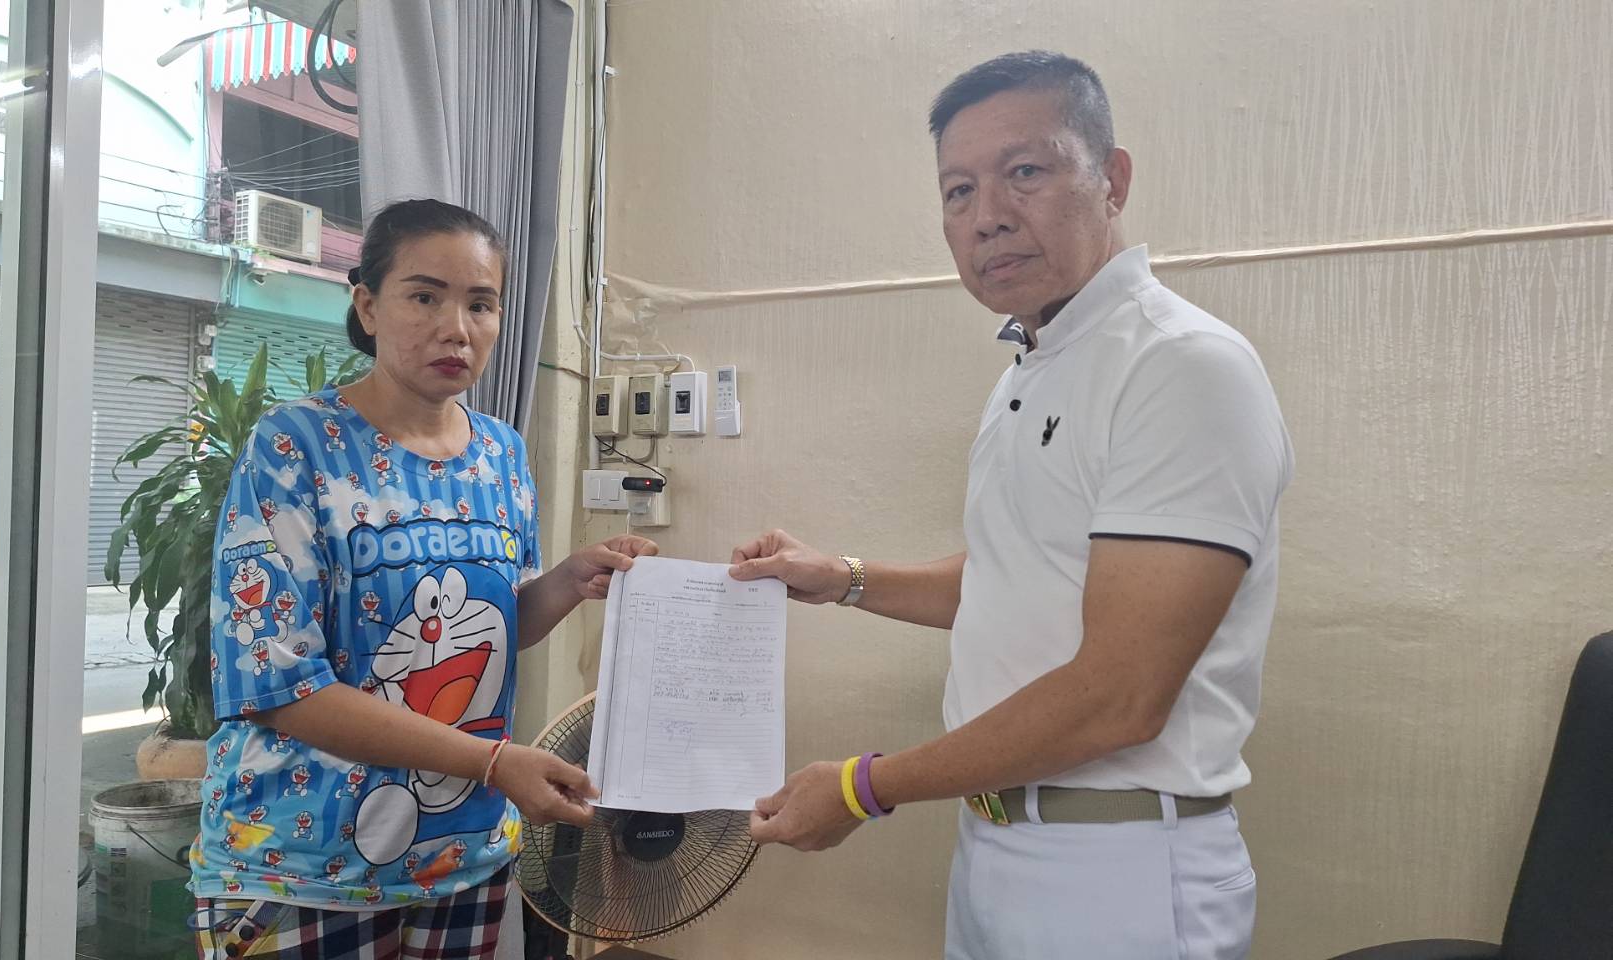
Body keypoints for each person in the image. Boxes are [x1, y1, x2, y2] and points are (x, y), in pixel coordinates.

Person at [731, 51, 1293, 958]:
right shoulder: (1031, 368)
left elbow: (1120, 696)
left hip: (1117, 868)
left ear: (1112, 179)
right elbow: (1020, 575)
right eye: (958, 191)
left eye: (1025, 171)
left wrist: (862, 787)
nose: (987, 214)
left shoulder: (1180, 366)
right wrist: (842, 578)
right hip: (995, 844)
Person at [188, 198, 656, 959]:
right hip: (298, 864)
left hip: (461, 855)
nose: (456, 328)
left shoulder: (500, 453)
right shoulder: (294, 446)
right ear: (368, 306)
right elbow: (279, 687)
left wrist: (571, 580)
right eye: (425, 297)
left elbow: (492, 629)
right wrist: (495, 763)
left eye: (481, 304)